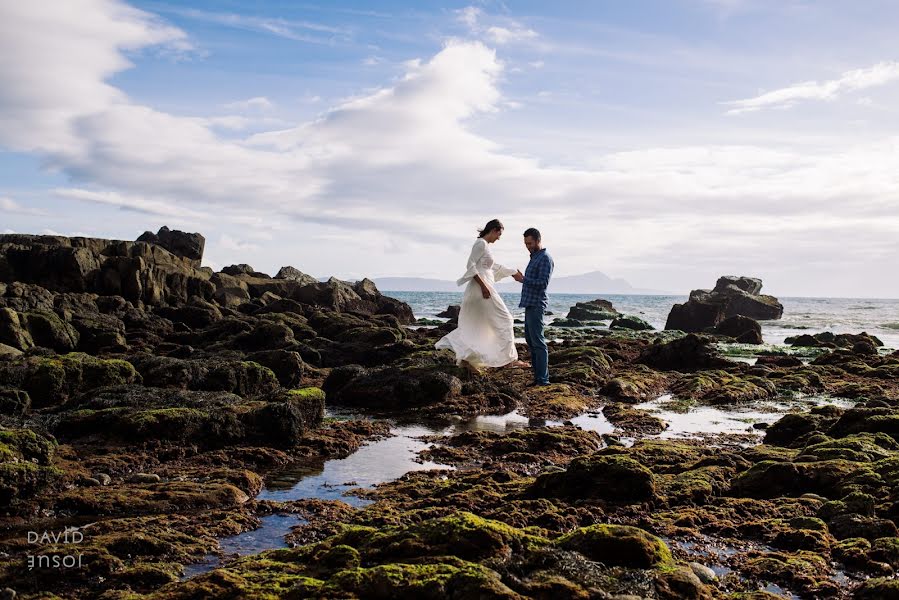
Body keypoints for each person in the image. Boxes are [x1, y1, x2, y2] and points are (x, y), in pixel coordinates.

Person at [435, 219, 525, 372]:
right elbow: (470, 265)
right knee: (506, 319)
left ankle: (467, 358)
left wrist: (513, 272)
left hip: (484, 288)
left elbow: (491, 267)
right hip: (481, 289)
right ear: (494, 230)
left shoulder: (485, 246)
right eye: (499, 234)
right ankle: (508, 360)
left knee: (480, 325)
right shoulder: (481, 244)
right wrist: (483, 286)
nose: (499, 238)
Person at [513, 227, 554, 386]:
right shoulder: (534, 257)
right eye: (525, 243)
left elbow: (542, 284)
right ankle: (538, 378)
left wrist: (523, 279)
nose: (527, 246)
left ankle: (543, 380)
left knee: (538, 342)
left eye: (530, 243)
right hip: (529, 304)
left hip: (537, 304)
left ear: (538, 240)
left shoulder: (544, 258)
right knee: (531, 341)